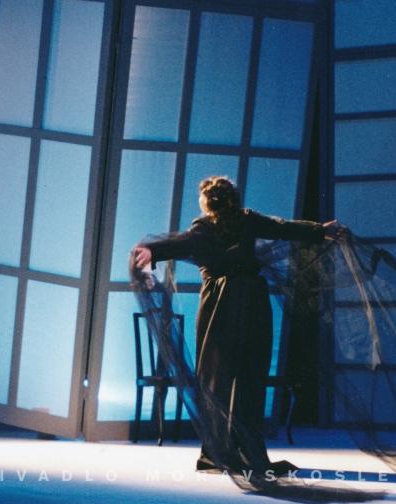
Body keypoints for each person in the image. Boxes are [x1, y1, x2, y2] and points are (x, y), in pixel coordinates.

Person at [132, 175, 344, 475]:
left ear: (206, 202)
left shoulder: (204, 228)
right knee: (249, 376)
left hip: (220, 304)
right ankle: (246, 450)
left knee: (216, 377)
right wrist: (319, 230)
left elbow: (181, 243)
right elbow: (282, 227)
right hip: (252, 300)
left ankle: (217, 452)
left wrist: (153, 250)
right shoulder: (246, 221)